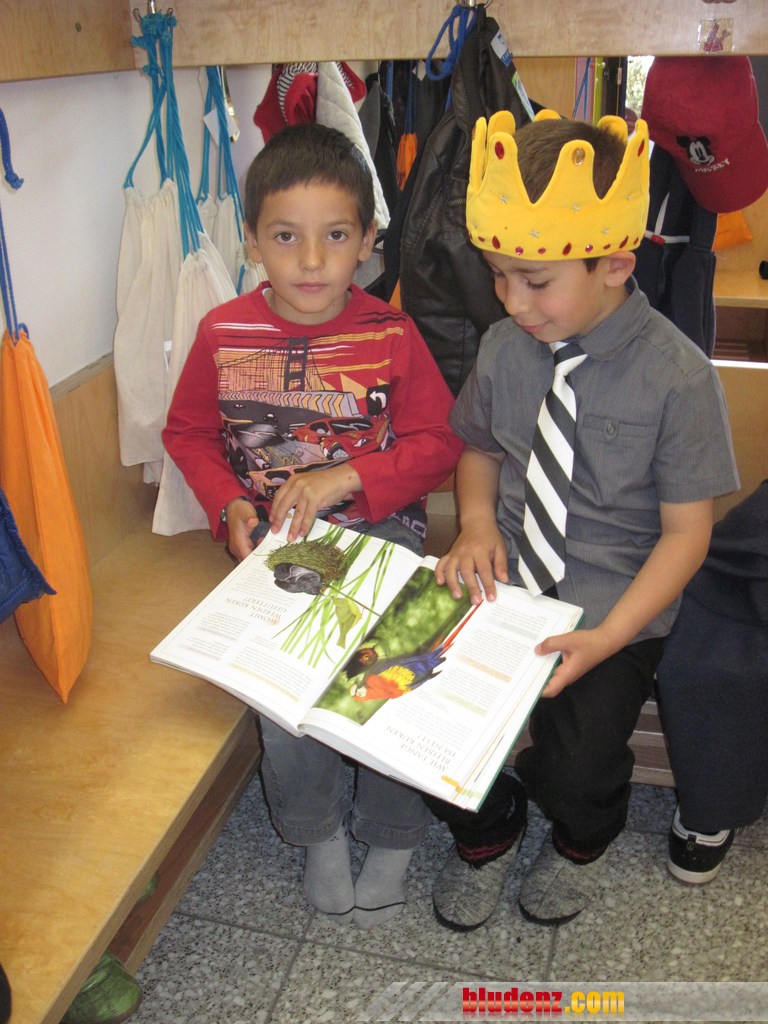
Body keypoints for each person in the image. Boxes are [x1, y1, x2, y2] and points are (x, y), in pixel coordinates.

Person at [428, 109, 739, 930]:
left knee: (578, 764)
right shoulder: (505, 347)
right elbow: (479, 448)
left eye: (534, 281)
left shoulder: (679, 378)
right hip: (503, 581)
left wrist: (609, 638)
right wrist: (475, 523)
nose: (512, 301)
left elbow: (688, 535)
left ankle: (580, 839)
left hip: (614, 608)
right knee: (416, 713)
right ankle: (489, 831)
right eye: (499, 275)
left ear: (615, 265)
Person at [162, 122, 463, 930]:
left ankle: (393, 834)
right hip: (277, 546)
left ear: (367, 242)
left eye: (335, 236)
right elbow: (188, 434)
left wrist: (347, 477)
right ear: (253, 240)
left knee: (394, 673)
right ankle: (317, 832)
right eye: (286, 237)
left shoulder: (391, 333)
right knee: (285, 687)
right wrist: (227, 504)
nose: (311, 261)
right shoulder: (222, 332)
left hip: (383, 533)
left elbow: (440, 442)